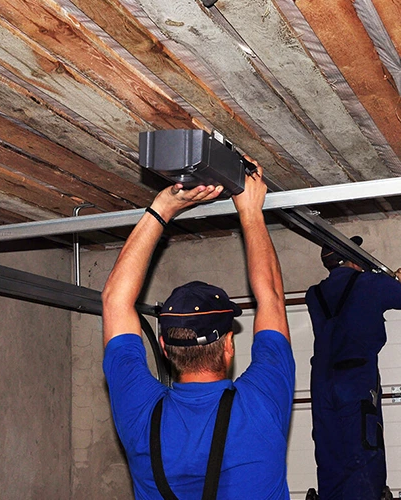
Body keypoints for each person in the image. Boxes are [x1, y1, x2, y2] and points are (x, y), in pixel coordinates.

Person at [101, 163, 295, 499]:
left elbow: (115, 303)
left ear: (164, 346)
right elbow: (273, 299)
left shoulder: (141, 412)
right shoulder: (259, 404)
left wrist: (162, 208)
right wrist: (250, 211)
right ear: (229, 345)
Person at [305, 237, 401, 500]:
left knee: (329, 450)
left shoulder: (313, 294)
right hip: (356, 377)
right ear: (352, 260)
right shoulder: (370, 283)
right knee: (363, 448)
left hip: (321, 380)